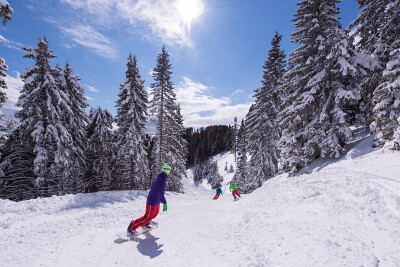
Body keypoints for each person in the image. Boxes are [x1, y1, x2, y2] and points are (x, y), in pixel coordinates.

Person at [127, 163, 171, 237]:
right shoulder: (162, 179)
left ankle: (146, 223)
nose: (170, 172)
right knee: (147, 217)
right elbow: (161, 192)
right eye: (169, 171)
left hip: (156, 201)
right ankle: (131, 226)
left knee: (154, 214)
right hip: (152, 201)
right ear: (167, 171)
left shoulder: (162, 177)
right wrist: (164, 202)